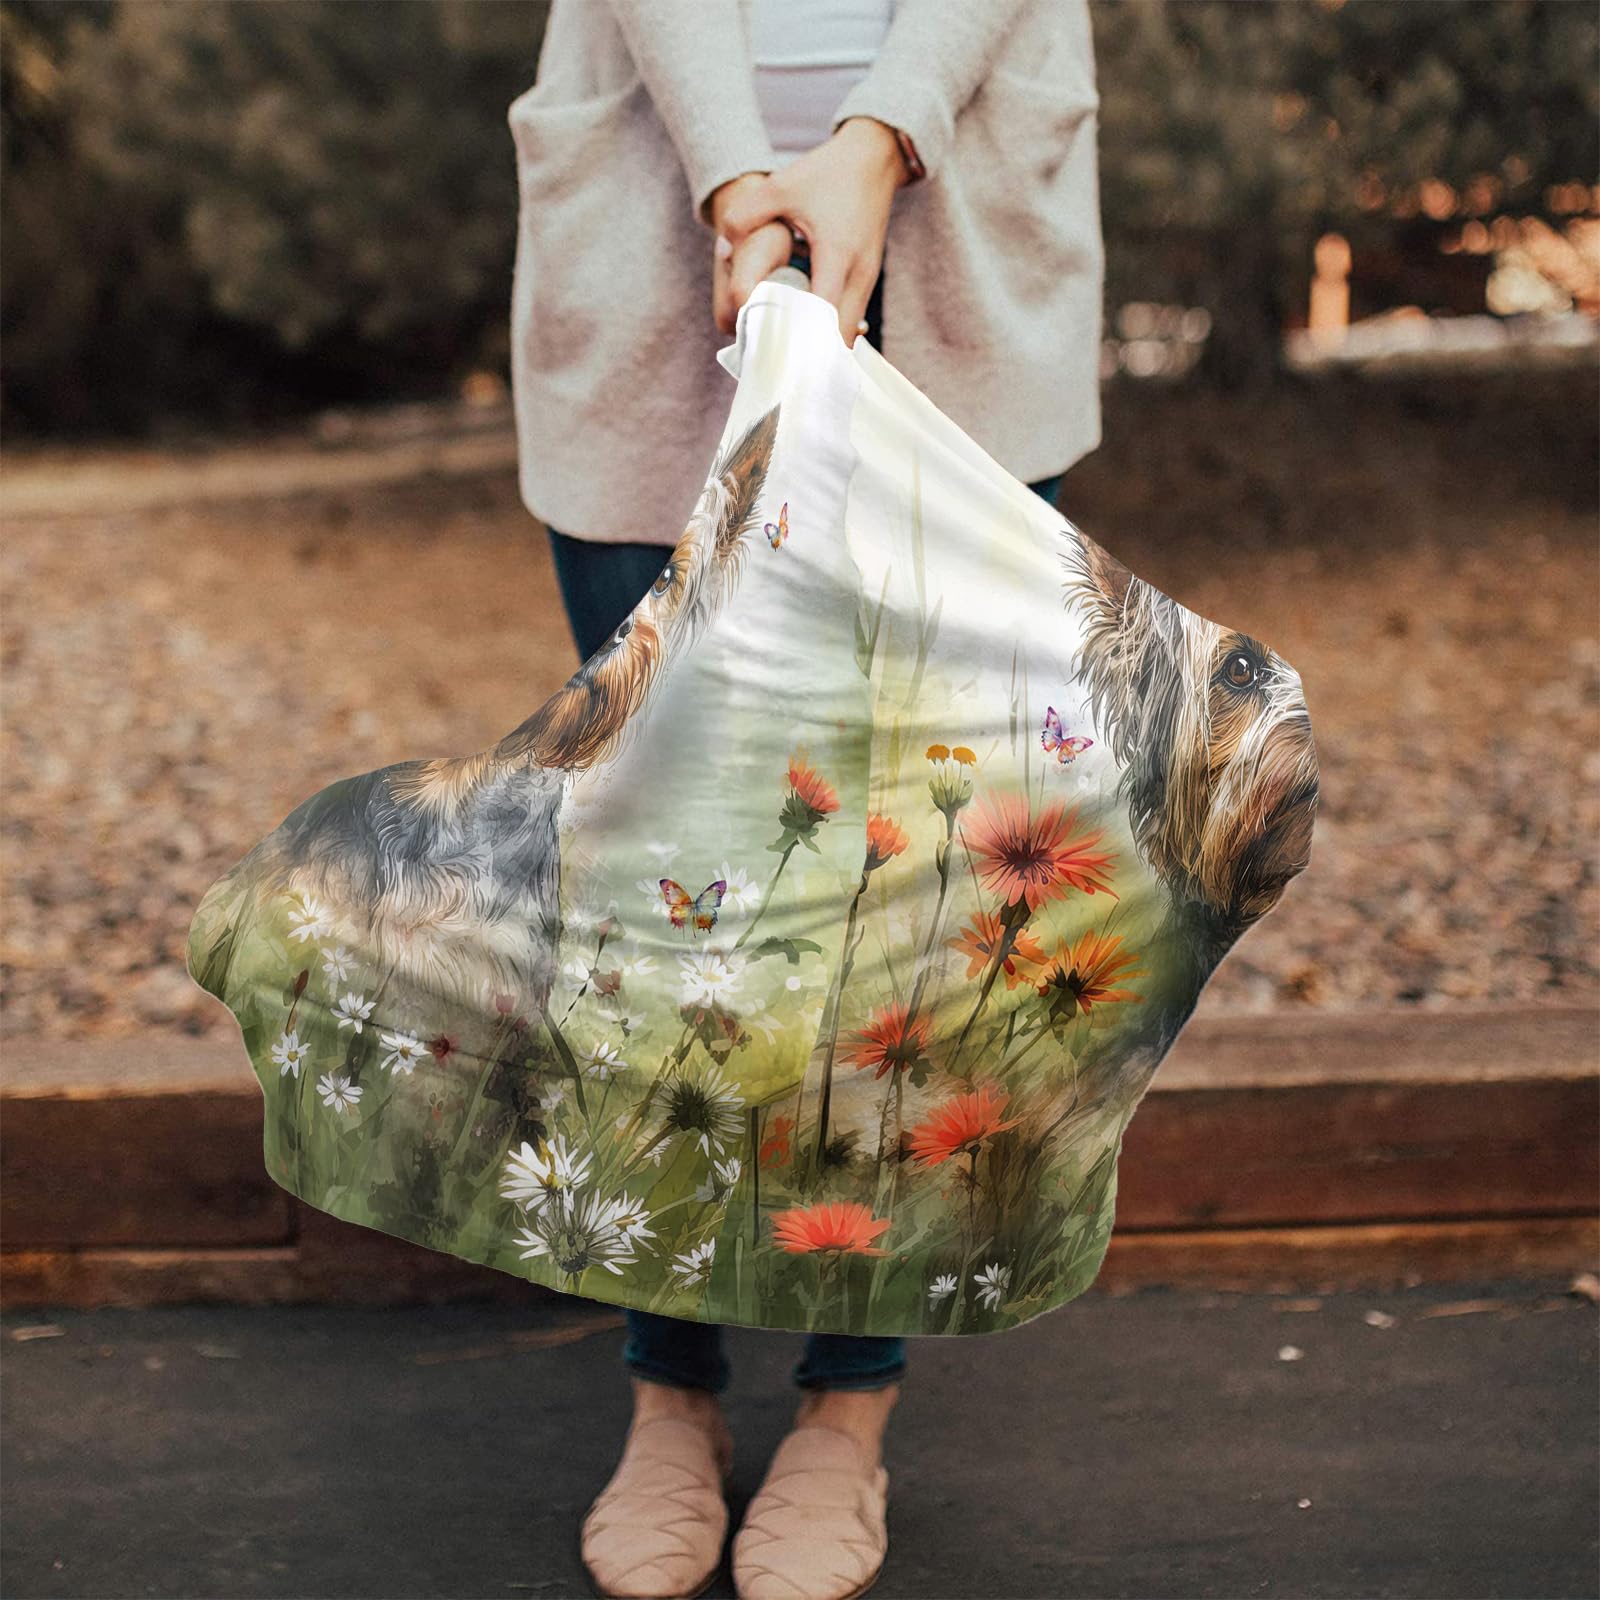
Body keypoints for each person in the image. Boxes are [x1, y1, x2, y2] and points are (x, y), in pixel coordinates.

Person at [506, 4, 1103, 1596]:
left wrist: (877, 136)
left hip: (959, 221)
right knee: (669, 882)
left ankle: (848, 1408)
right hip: (656, 221)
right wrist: (734, 178)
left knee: (903, 888)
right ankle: (670, 1391)